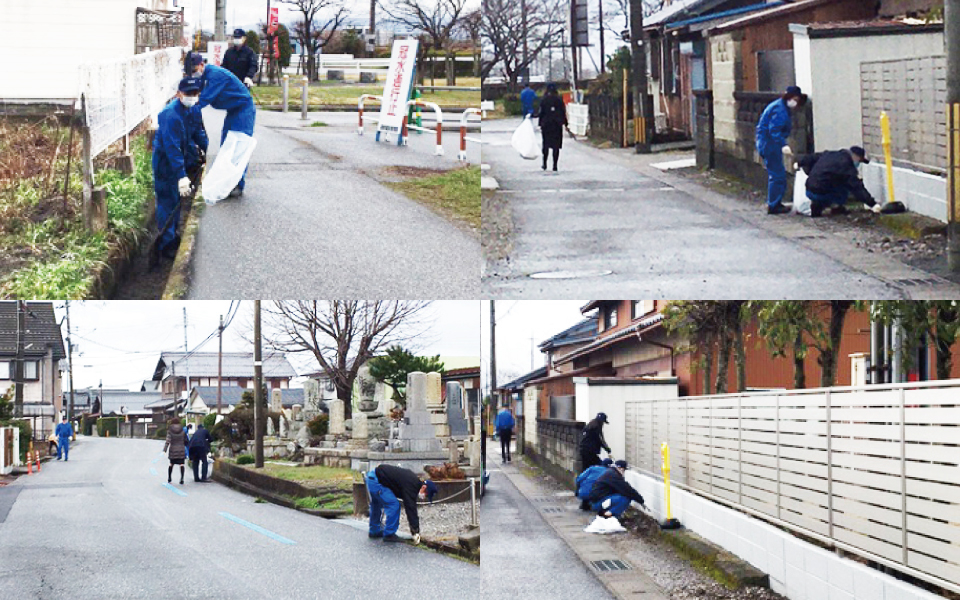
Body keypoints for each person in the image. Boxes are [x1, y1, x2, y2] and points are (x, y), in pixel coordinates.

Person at [185, 50, 256, 198]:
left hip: (243, 109)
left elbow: (204, 99)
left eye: (194, 70)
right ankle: (227, 183)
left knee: (238, 147)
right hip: (233, 110)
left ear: (201, 65)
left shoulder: (215, 75)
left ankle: (237, 185)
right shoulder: (204, 76)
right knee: (227, 146)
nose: (192, 74)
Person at [152, 76, 208, 259]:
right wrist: (181, 175)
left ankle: (173, 235)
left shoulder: (193, 110)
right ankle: (166, 243)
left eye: (195, 93)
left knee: (177, 200)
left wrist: (209, 150)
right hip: (165, 162)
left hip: (179, 159)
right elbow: (172, 147)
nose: (192, 97)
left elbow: (198, 132)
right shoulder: (170, 115)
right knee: (167, 200)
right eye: (188, 94)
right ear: (178, 94)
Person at [756, 85, 807, 215]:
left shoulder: (780, 106)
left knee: (777, 175)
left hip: (768, 143)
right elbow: (774, 130)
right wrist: (783, 144)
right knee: (777, 176)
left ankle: (775, 202)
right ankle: (774, 205)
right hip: (770, 144)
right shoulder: (780, 110)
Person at [798, 146, 880, 217]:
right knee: (844, 185)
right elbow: (857, 188)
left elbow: (810, 158)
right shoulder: (847, 166)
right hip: (822, 193)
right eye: (859, 161)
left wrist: (798, 163)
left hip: (809, 189)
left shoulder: (829, 154)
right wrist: (872, 204)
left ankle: (818, 205)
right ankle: (835, 206)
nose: (858, 164)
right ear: (856, 157)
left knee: (832, 180)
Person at [366, 464, 438, 544]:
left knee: (377, 504)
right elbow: (410, 508)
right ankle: (389, 534)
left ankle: (374, 531)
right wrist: (415, 530)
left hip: (372, 477)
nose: (424, 497)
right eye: (426, 495)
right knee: (394, 505)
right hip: (378, 482)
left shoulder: (413, 481)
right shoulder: (412, 486)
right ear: (424, 487)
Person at [538, 83, 567, 172]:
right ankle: (555, 165)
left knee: (546, 144)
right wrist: (565, 123)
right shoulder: (559, 99)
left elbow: (541, 113)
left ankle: (544, 163)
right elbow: (563, 112)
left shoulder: (544, 100)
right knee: (556, 146)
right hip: (557, 124)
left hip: (546, 124)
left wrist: (540, 123)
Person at [163, 418, 189, 485]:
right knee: (181, 464)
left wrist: (164, 450)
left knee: (171, 464)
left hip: (173, 450)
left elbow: (167, 441)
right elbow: (186, 441)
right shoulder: (182, 431)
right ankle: (182, 479)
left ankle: (169, 478)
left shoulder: (170, 431)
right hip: (181, 450)